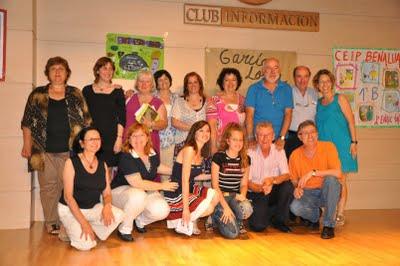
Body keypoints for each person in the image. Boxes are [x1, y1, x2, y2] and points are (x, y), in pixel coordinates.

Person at [21, 56, 91, 235]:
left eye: (61, 69)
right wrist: (26, 145)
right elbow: (27, 122)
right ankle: (52, 221)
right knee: (48, 187)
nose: (58, 72)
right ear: (48, 73)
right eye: (53, 69)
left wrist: (87, 147)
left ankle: (67, 220)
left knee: (68, 186)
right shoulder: (37, 94)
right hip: (43, 151)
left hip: (71, 151)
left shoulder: (75, 93)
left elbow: (87, 121)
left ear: (67, 73)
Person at [58, 127, 124, 251]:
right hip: (71, 210)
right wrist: (84, 223)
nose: (95, 142)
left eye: (98, 139)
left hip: (91, 208)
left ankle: (90, 228)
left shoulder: (102, 164)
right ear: (82, 143)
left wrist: (107, 206)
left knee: (119, 215)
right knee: (86, 245)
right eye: (91, 139)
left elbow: (107, 193)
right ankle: (70, 227)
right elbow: (68, 197)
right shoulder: (71, 163)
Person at [111, 123, 178, 241]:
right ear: (129, 139)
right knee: (138, 195)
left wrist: (178, 171)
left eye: (141, 135)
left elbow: (156, 167)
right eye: (134, 136)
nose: (138, 139)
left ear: (147, 137)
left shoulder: (152, 152)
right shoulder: (126, 156)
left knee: (162, 210)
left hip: (143, 191)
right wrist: (163, 186)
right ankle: (124, 228)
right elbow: (137, 183)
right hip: (120, 192)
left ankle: (140, 220)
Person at [314, 69, 358, 226]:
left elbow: (351, 122)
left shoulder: (340, 99)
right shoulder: (318, 104)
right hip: (324, 148)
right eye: (321, 82)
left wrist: (354, 142)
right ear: (317, 85)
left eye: (327, 81)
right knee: (327, 181)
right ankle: (328, 212)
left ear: (332, 82)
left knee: (341, 181)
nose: (324, 84)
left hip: (342, 145)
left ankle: (339, 214)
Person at [164, 121, 219, 236]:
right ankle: (183, 219)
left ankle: (191, 220)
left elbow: (195, 175)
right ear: (194, 133)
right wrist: (186, 209)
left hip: (189, 186)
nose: (205, 133)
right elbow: (184, 180)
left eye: (208, 131)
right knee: (208, 208)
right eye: (201, 130)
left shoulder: (201, 152)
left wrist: (215, 174)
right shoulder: (189, 149)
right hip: (177, 190)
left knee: (215, 195)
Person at [289, 120, 342, 239]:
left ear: (317, 134)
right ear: (299, 136)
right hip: (308, 193)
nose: (310, 136)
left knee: (331, 180)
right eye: (306, 133)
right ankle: (316, 216)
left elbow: (338, 173)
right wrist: (296, 189)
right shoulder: (295, 155)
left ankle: (328, 225)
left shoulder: (328, 146)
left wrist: (312, 173)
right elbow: (294, 180)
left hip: (327, 191)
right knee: (294, 207)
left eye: (313, 132)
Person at [247, 122, 293, 233]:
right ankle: (268, 214)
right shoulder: (249, 152)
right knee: (258, 226)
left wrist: (272, 180)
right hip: (256, 191)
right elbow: (247, 182)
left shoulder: (279, 150)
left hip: (273, 189)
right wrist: (261, 188)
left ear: (273, 136)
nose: (264, 138)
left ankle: (280, 221)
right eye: (261, 135)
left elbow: (287, 175)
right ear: (256, 137)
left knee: (287, 186)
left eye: (268, 135)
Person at [82, 57, 126, 171]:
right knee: (90, 170)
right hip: (92, 138)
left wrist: (119, 139)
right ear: (97, 70)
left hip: (111, 138)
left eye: (111, 69)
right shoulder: (86, 90)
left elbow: (122, 117)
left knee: (107, 173)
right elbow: (83, 116)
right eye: (104, 68)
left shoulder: (118, 91)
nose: (108, 71)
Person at [210, 123, 253, 239]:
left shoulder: (246, 159)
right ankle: (214, 216)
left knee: (247, 209)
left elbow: (244, 184)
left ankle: (236, 219)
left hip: (234, 197)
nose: (238, 143)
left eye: (240, 140)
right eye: (234, 139)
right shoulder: (218, 157)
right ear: (228, 140)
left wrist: (243, 195)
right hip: (220, 197)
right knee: (233, 234)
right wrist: (226, 207)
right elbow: (215, 186)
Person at [245, 58, 293, 151]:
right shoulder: (253, 89)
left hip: (280, 141)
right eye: (268, 68)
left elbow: (288, 114)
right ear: (263, 71)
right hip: (258, 140)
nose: (272, 72)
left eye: (275, 68)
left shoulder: (286, 88)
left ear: (280, 70)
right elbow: (249, 115)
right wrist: (250, 138)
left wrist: (281, 137)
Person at [125, 69, 167, 154]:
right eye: (141, 81)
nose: (144, 84)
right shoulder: (128, 98)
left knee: (148, 167)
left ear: (152, 84)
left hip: (149, 143)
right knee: (128, 166)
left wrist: (151, 124)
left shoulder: (158, 103)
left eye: (147, 81)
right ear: (137, 83)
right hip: (129, 142)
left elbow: (164, 124)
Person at [206, 68, 246, 155]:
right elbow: (212, 126)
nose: (230, 83)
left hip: (238, 146)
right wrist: (213, 147)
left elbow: (244, 125)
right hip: (221, 145)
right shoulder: (214, 100)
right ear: (222, 82)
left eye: (234, 80)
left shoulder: (243, 100)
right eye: (227, 80)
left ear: (238, 82)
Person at [171, 72, 207, 157]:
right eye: (190, 83)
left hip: (202, 145)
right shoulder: (179, 101)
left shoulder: (208, 102)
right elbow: (174, 122)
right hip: (183, 143)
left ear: (200, 84)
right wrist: (194, 129)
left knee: (199, 170)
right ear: (186, 86)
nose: (193, 85)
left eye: (195, 82)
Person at [286, 66, 318, 159]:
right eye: (299, 76)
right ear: (294, 78)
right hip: (293, 136)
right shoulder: (287, 91)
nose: (302, 80)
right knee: (292, 165)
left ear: (309, 78)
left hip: (310, 137)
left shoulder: (314, 93)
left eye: (306, 76)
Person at [153, 70, 179, 180]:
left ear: (170, 81)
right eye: (160, 80)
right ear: (156, 83)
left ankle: (167, 195)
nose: (163, 82)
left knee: (169, 170)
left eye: (166, 79)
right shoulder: (152, 98)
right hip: (155, 137)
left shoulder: (177, 98)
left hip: (172, 139)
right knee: (154, 168)